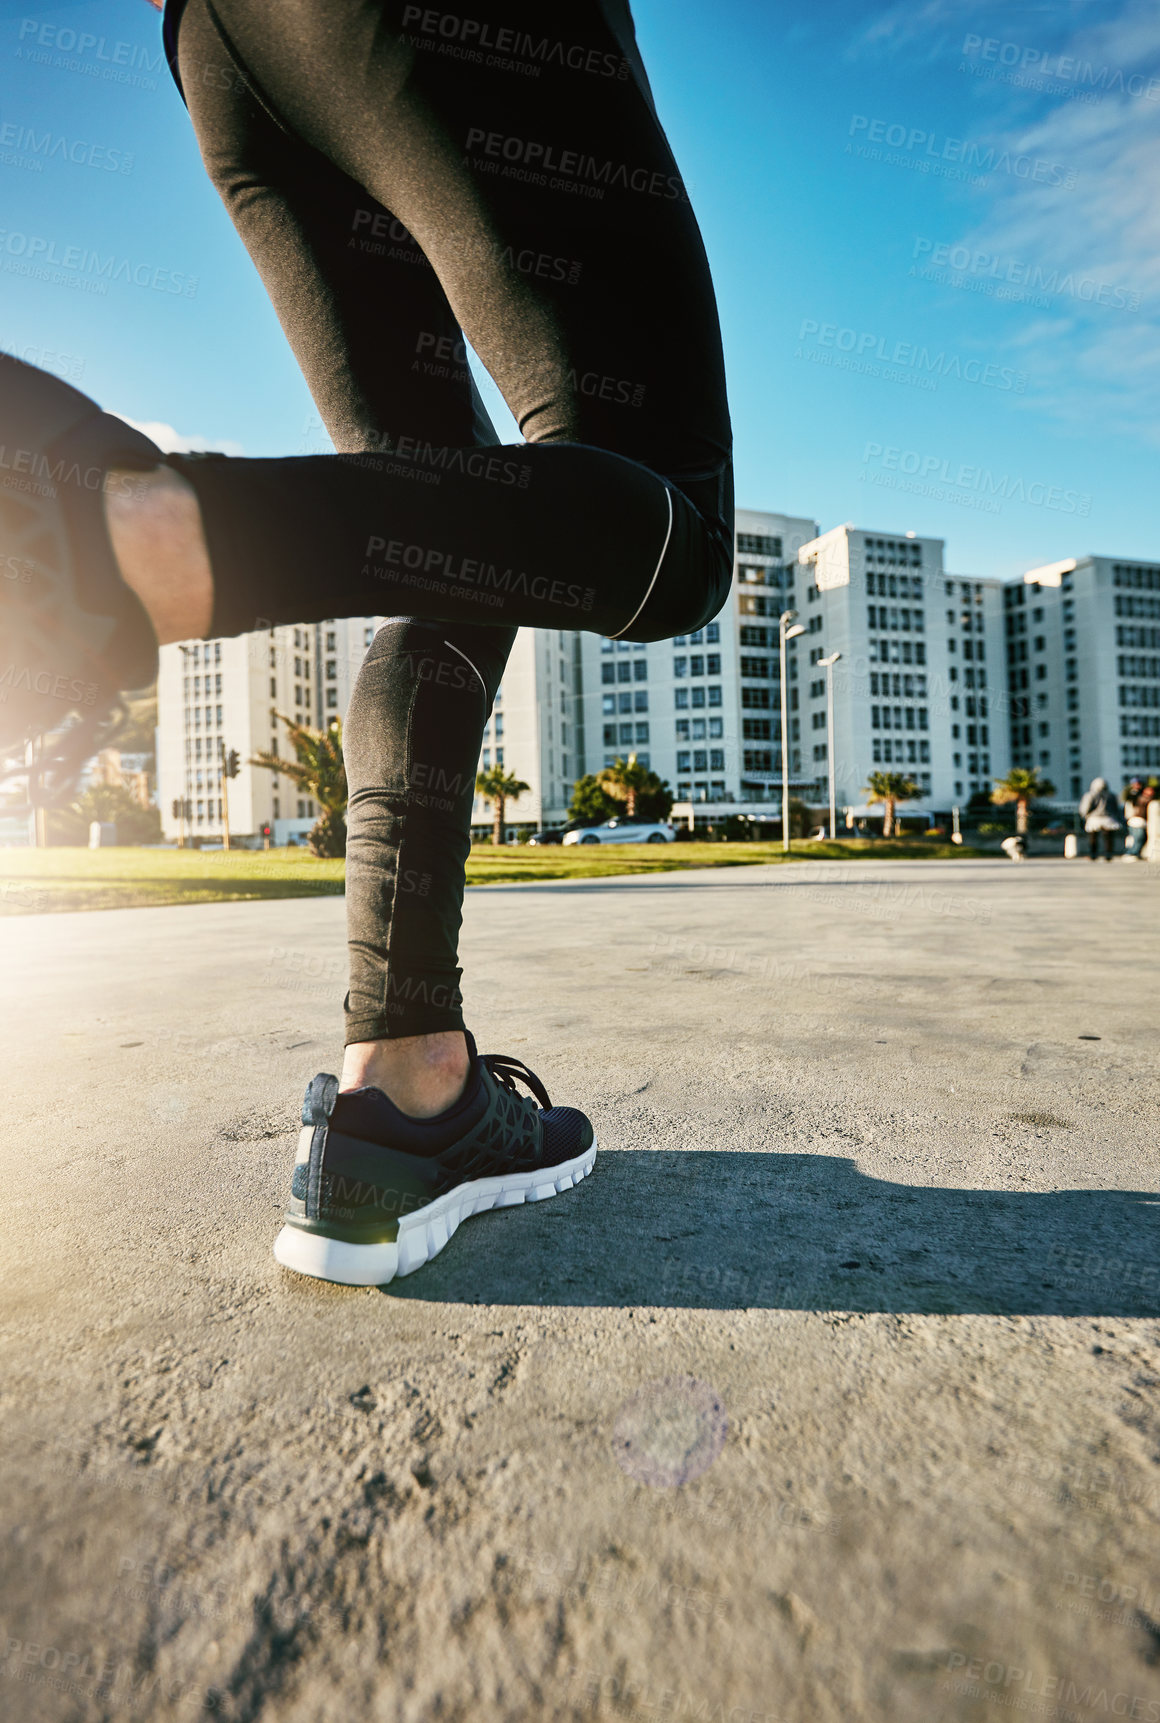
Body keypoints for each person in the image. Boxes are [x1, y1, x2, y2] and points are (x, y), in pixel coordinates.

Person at [0, 1, 732, 1286]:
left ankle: (407, 1092)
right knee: (675, 538)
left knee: (454, 545)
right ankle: (135, 534)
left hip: (222, 53)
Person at [1078, 777, 1121, 862]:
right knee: (1108, 838)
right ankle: (1108, 855)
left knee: (1093, 837)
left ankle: (1093, 855)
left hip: (1094, 818)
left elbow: (1085, 808)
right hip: (1108, 818)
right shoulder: (1112, 795)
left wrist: (1085, 815)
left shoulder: (1090, 795)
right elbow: (1116, 808)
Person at [1122, 779, 1147, 861]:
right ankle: (1132, 852)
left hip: (1138, 819)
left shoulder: (1141, 794)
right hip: (1134, 819)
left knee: (1139, 837)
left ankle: (1135, 852)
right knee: (1136, 837)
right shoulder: (1132, 795)